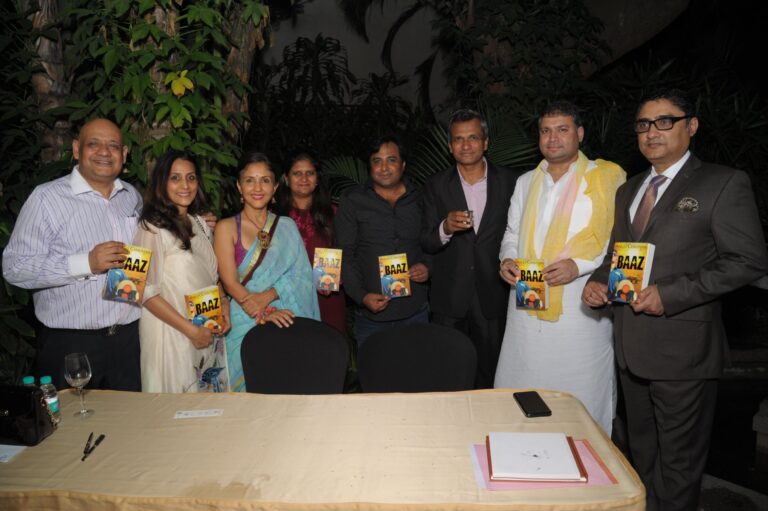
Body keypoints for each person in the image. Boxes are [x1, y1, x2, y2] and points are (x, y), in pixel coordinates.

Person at [582, 89, 768, 511]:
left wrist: (672, 294)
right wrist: (597, 282)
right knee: (643, 457)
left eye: (665, 121)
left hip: (683, 353)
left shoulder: (722, 182)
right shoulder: (629, 190)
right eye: (644, 124)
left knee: (678, 467)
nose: (652, 132)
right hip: (631, 349)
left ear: (691, 125)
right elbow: (617, 255)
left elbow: (749, 260)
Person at [495, 100, 626, 434]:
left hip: (580, 305)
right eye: (545, 131)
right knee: (523, 385)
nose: (552, 138)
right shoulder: (526, 181)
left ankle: (588, 460)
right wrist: (507, 259)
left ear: (579, 134)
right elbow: (511, 232)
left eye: (562, 129)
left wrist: (578, 265)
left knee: (579, 390)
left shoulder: (605, 177)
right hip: (526, 301)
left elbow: (616, 240)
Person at [3, 118, 143, 390]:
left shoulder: (132, 196)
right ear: (77, 149)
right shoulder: (47, 198)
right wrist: (86, 263)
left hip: (129, 341)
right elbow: (14, 267)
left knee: (129, 427)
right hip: (73, 344)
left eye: (113, 146)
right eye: (94, 144)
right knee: (75, 430)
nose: (104, 152)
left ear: (124, 154)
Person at [421, 109, 521, 388]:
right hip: (449, 298)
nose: (466, 145)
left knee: (492, 374)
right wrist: (445, 228)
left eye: (473, 138)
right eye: (458, 139)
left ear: (486, 142)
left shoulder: (513, 181)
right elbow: (426, 240)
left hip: (494, 293)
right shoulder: (435, 185)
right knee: (448, 373)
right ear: (450, 146)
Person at [214, 151, 319, 391]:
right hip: (243, 321)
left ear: (275, 187)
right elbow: (229, 282)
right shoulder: (227, 227)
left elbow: (301, 277)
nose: (257, 187)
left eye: (265, 180)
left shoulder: (287, 227)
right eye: (249, 180)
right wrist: (261, 313)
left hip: (286, 316)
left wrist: (269, 297)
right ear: (239, 187)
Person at [134, 150, 231, 393]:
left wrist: (224, 305)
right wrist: (190, 330)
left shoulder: (200, 223)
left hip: (206, 328)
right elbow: (140, 289)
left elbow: (212, 275)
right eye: (175, 178)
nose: (185, 185)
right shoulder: (148, 227)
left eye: (191, 177)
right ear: (161, 182)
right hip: (172, 334)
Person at [335, 135, 430, 345]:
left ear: (403, 165)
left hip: (415, 311)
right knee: (375, 377)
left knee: (418, 375)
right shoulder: (353, 200)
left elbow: (433, 240)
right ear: (369, 166)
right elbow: (346, 253)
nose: (384, 167)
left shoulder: (421, 197)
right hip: (372, 316)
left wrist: (427, 266)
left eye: (391, 160)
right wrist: (361, 296)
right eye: (377, 161)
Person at [274, 152, 347, 334]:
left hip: (327, 298)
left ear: (317, 179)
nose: (304, 178)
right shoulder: (273, 216)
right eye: (297, 173)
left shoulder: (335, 213)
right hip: (287, 299)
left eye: (310, 173)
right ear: (286, 179)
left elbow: (350, 252)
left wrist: (339, 276)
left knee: (330, 354)